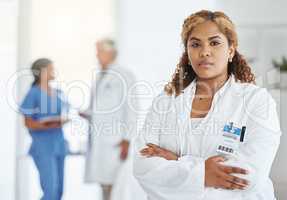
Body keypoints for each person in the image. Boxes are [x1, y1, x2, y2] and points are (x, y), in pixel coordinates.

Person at [133, 10, 281, 200]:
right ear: (187, 52)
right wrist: (205, 173)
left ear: (231, 50)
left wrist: (178, 162)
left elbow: (249, 177)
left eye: (214, 42)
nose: (204, 51)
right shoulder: (165, 101)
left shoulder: (257, 101)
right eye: (195, 44)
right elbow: (143, 166)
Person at [80, 38, 138, 200]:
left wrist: (127, 139)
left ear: (110, 53)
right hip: (100, 138)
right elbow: (102, 108)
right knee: (104, 184)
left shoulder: (124, 75)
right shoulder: (99, 76)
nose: (97, 55)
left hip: (116, 140)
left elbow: (131, 108)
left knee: (116, 184)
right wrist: (89, 113)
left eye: (99, 51)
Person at [19, 58, 69, 200]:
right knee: (50, 191)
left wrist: (62, 121)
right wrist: (46, 125)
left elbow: (66, 111)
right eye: (51, 69)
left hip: (59, 144)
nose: (54, 71)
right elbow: (28, 122)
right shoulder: (33, 93)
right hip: (43, 146)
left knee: (59, 191)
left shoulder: (58, 92)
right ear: (41, 72)